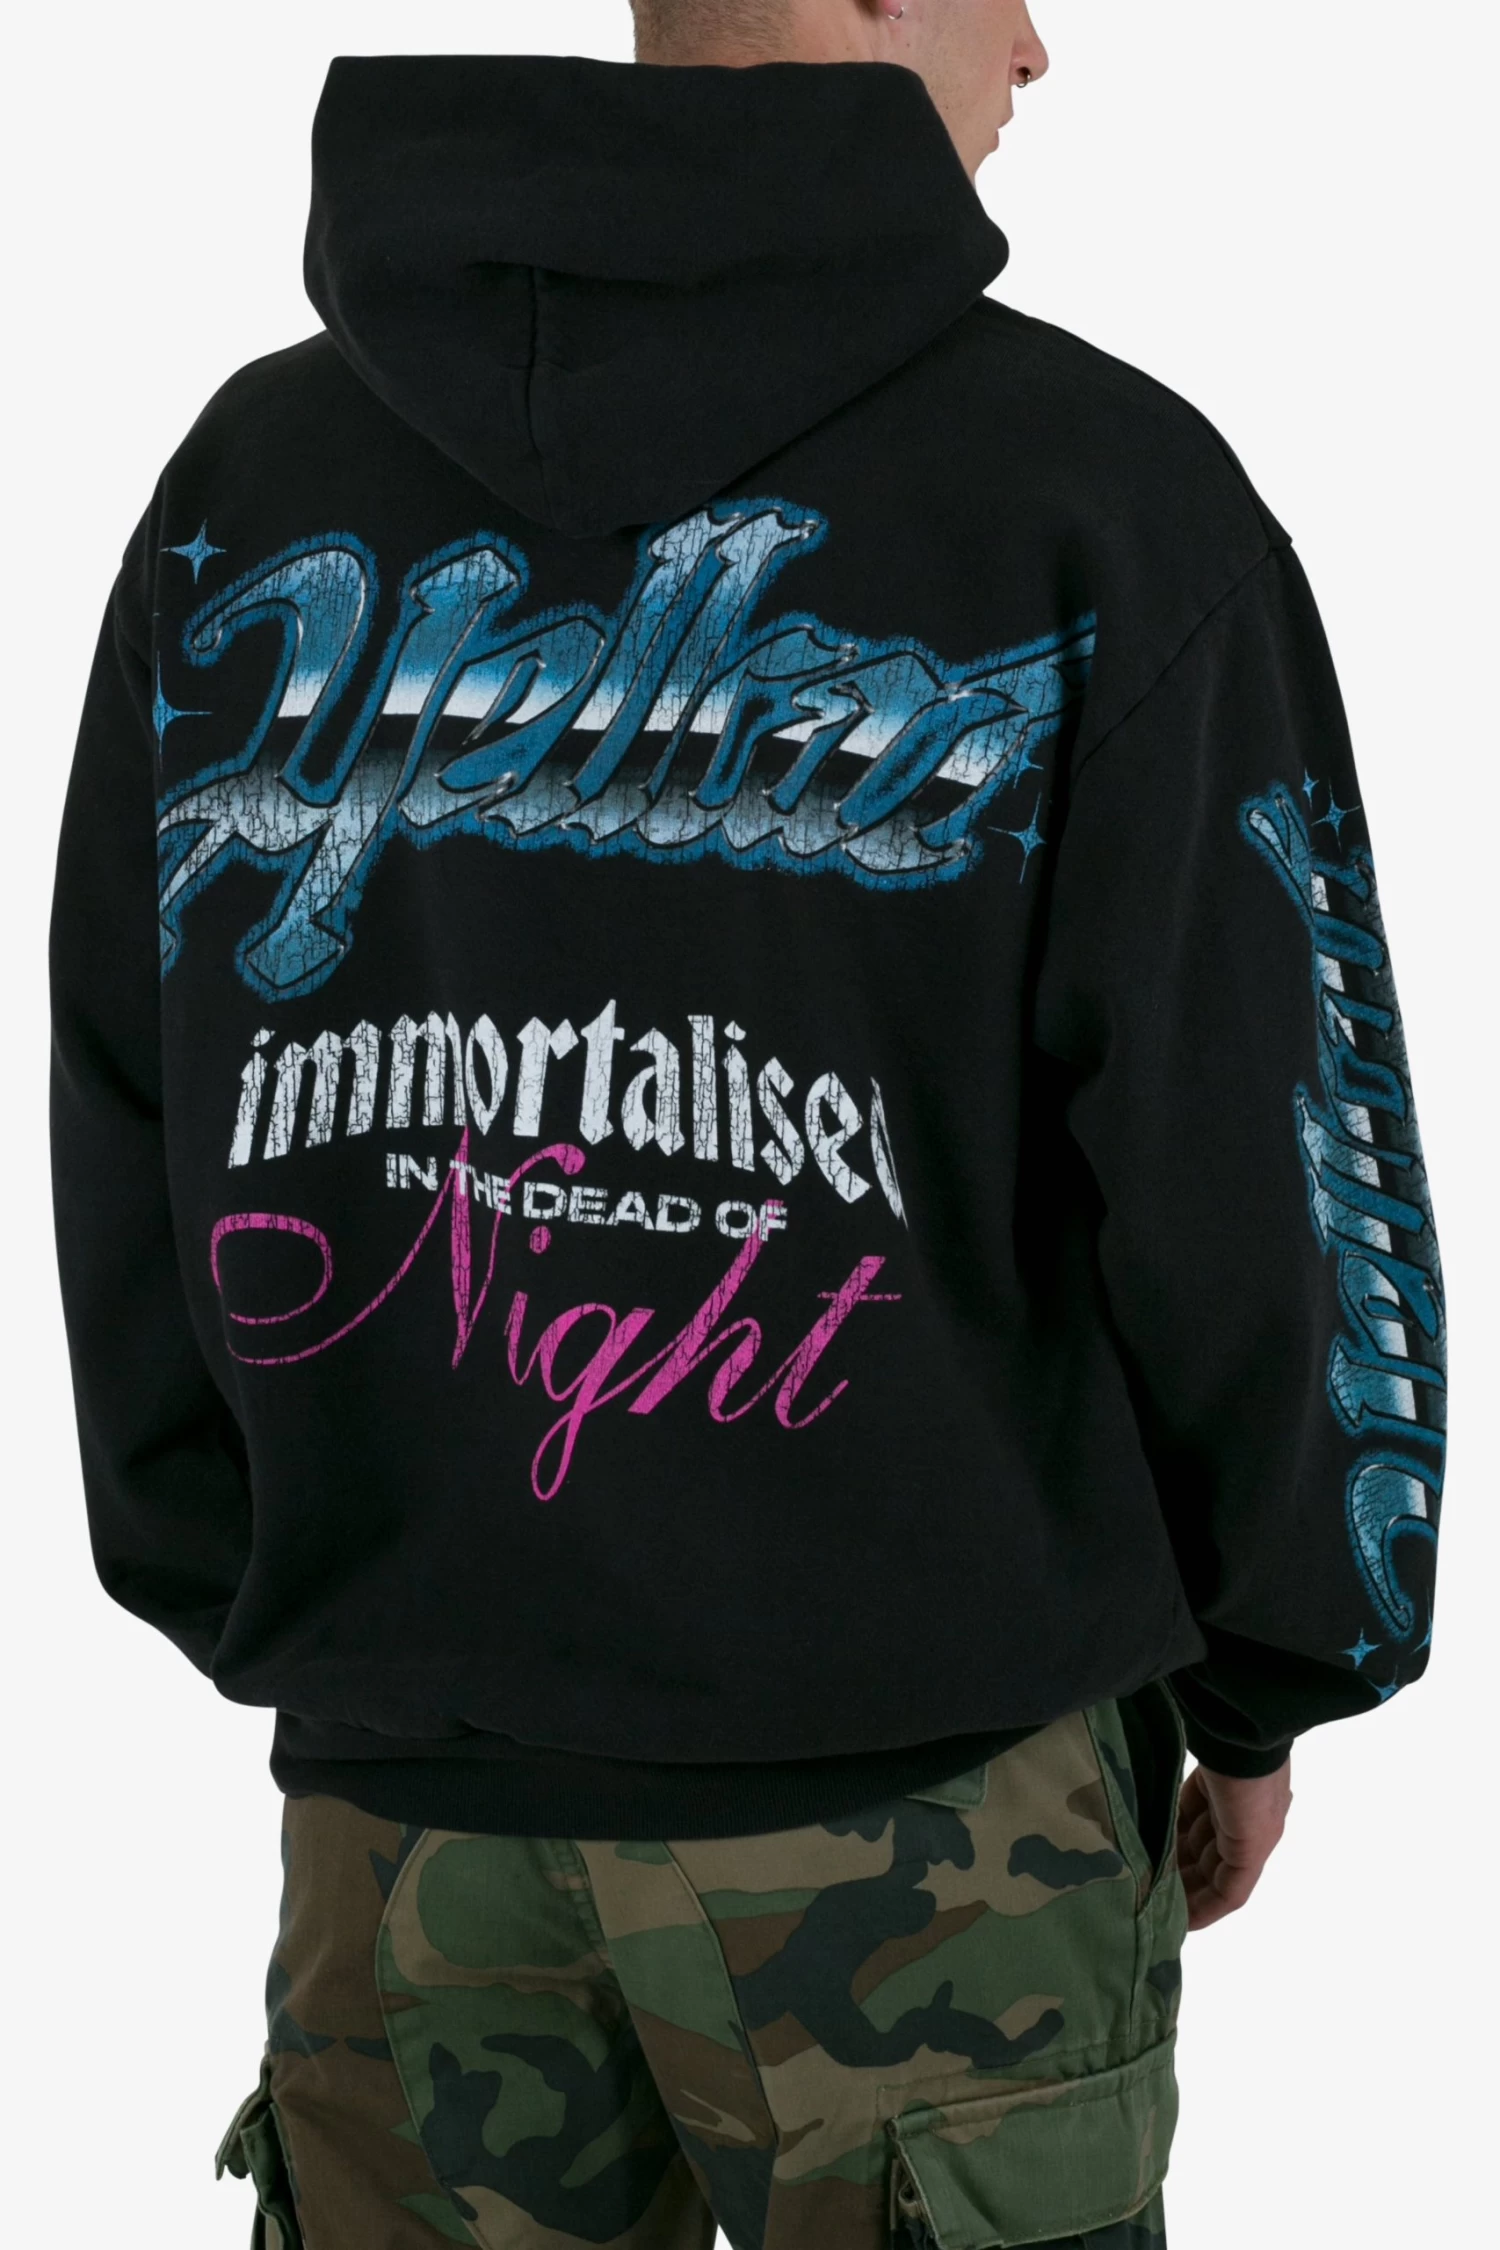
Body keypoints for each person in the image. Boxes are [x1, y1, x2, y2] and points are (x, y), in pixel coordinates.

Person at [48, 2, 1446, 2244]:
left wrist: (288, 1588)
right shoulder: (1098, 494)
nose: (1038, 47)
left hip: (405, 1839)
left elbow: (133, 1101)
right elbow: (1263, 1155)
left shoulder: (257, 479)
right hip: (937, 1840)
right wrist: (1284, 1666)